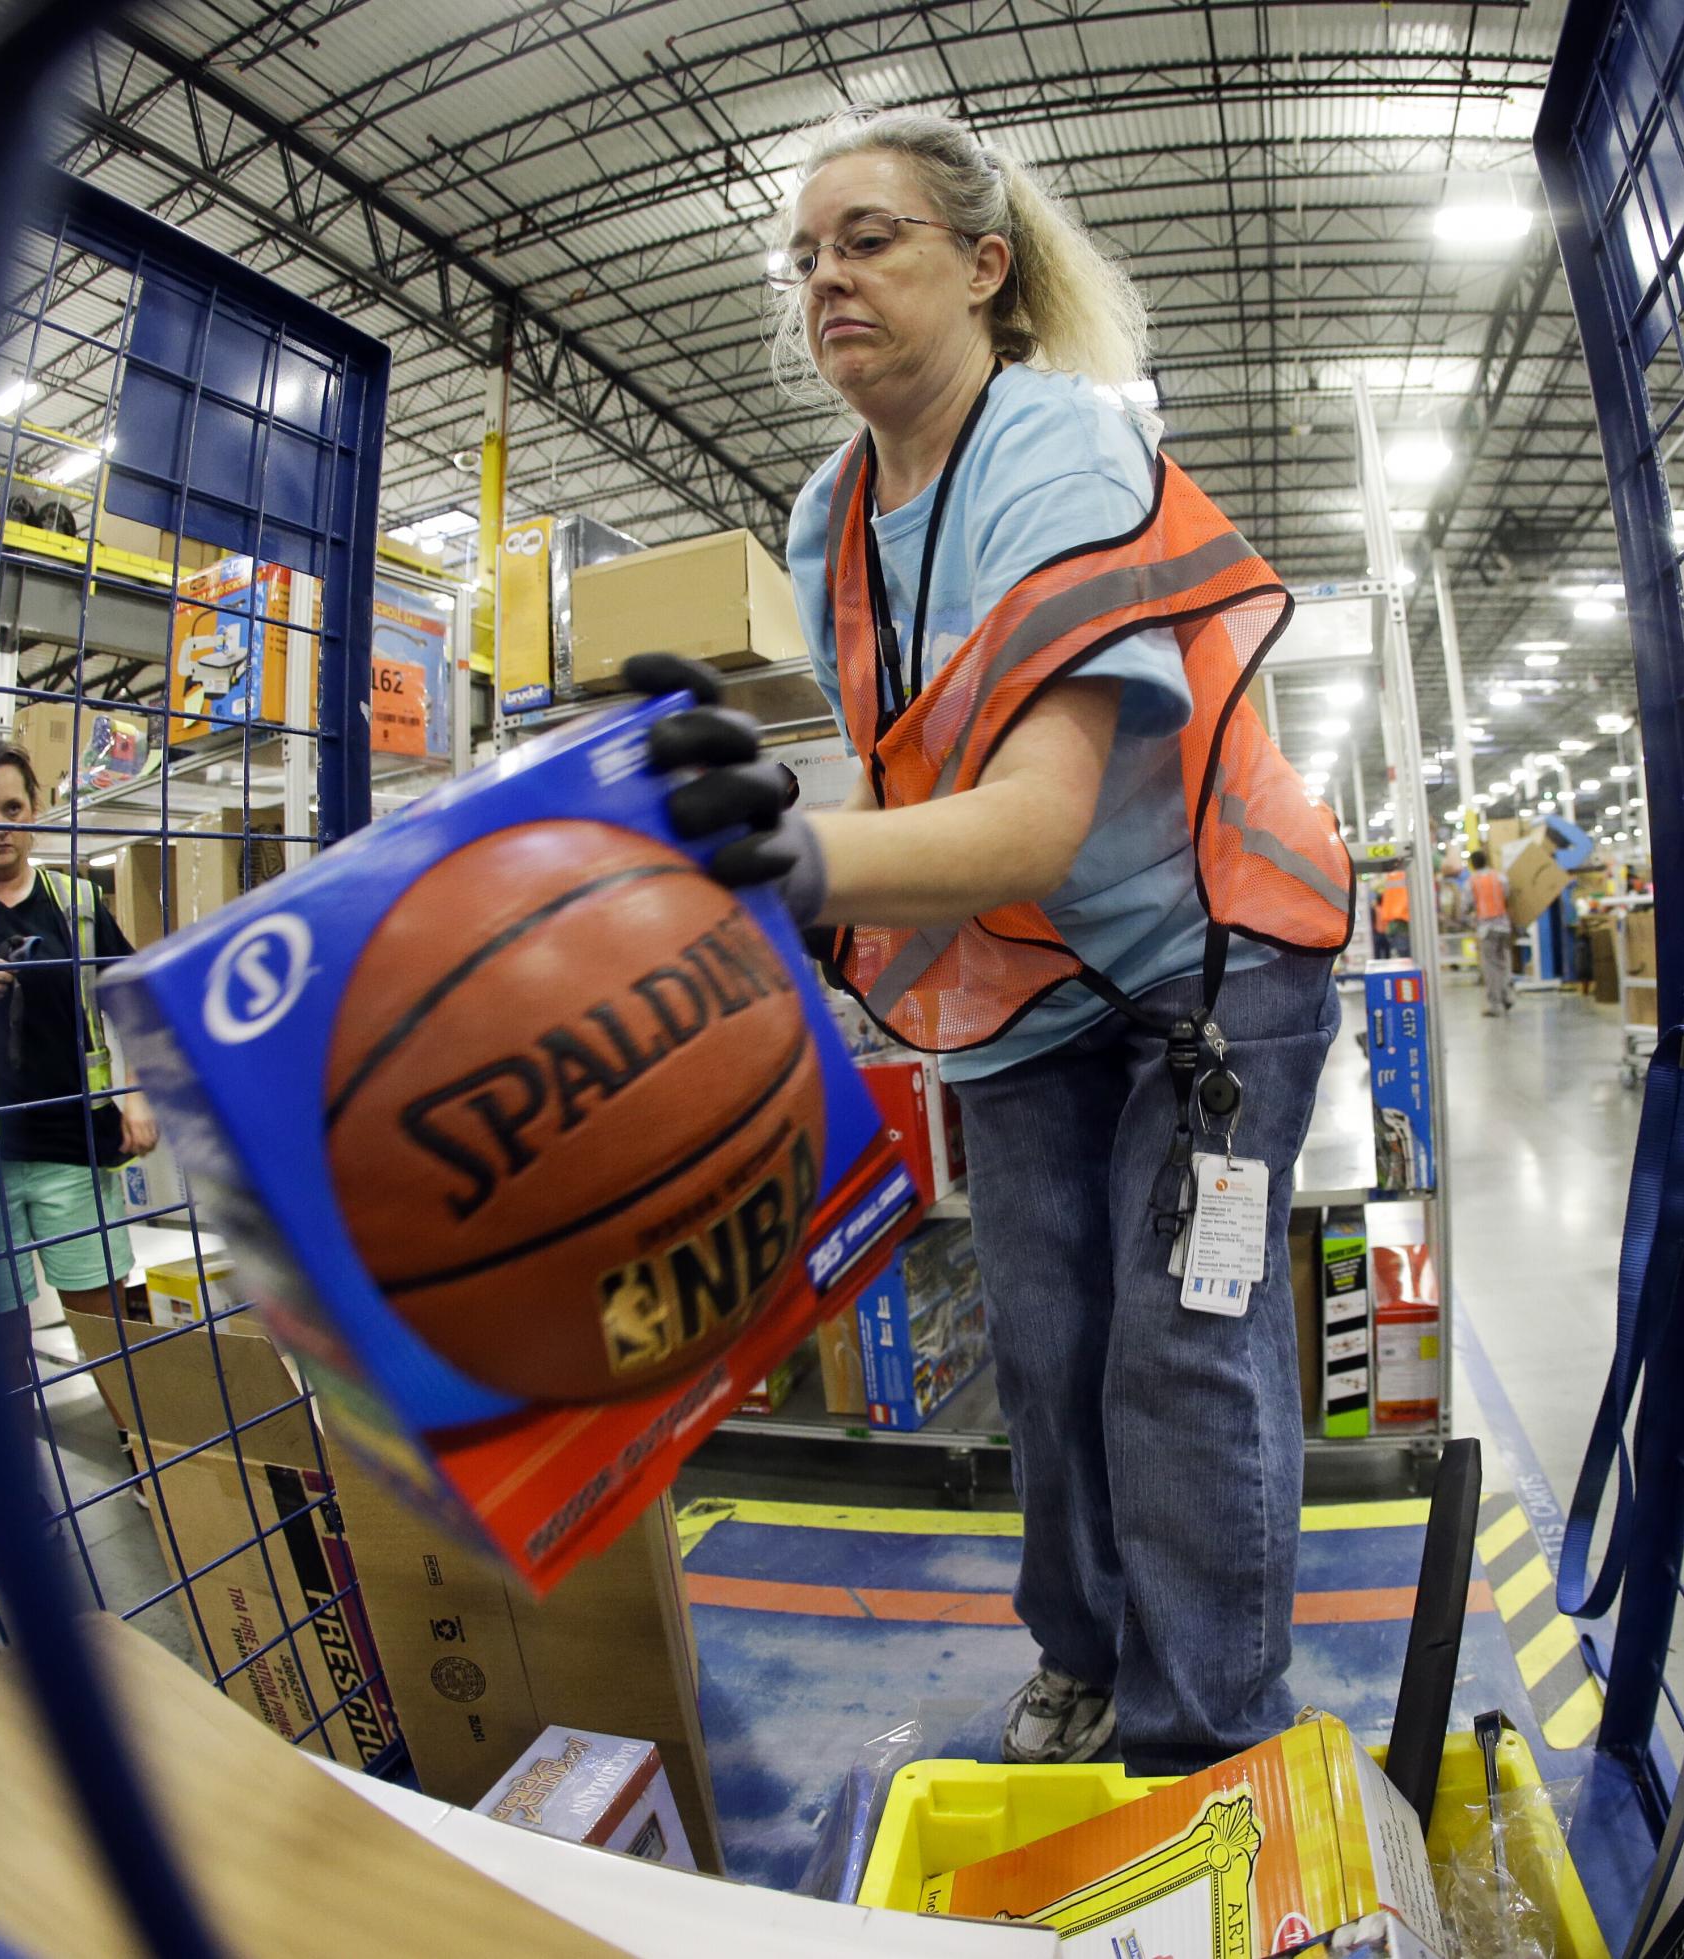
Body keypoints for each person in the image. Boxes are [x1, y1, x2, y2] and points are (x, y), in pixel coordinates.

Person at [636, 105, 1352, 1777]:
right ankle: (1086, 1658)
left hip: (1209, 958)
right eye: (802, 254)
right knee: (1041, 1347)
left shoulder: (1056, 447)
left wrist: (788, 858)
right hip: (1029, 978)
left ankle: (1202, 1742)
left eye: (866, 237)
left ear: (982, 263)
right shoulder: (830, 518)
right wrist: (771, 820)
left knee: (1175, 1345)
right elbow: (918, 773)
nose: (824, 276)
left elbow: (1030, 812)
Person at [0, 741, 155, 1387]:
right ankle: (21, 1482)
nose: (1, 824)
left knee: (107, 1332)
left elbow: (137, 1005)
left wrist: (142, 1094)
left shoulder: (78, 904)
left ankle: (147, 1454)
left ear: (36, 809)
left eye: (13, 806)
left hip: (73, 1148)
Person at [1467, 849, 1515, 1015]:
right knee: (1504, 962)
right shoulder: (1500, 877)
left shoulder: (1472, 881)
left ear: (1473, 864)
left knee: (1490, 966)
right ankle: (1507, 996)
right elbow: (1508, 895)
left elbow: (1466, 904)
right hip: (1504, 926)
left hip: (1487, 929)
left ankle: (1495, 1005)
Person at [1372, 868, 1411, 961]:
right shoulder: (1407, 873)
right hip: (1402, 924)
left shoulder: (1389, 877)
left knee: (1401, 958)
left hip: (1393, 925)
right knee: (1405, 960)